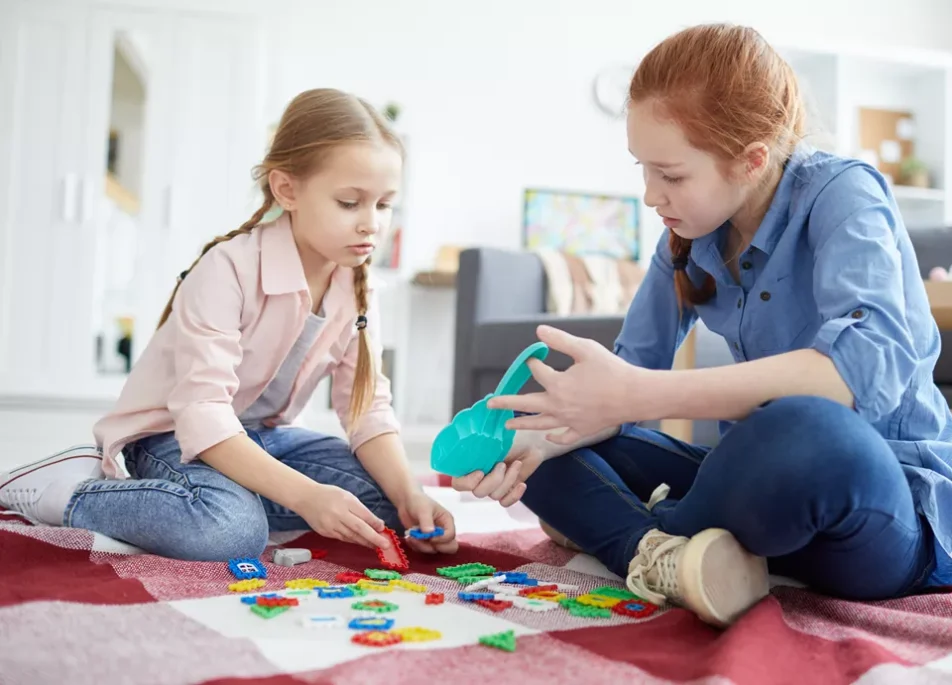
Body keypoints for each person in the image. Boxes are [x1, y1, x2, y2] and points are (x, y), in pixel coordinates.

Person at [452, 23, 952, 628]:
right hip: (753, 496)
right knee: (545, 438)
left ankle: (633, 532)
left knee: (801, 429)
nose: (650, 195)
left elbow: (856, 372)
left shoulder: (843, 194)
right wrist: (541, 436)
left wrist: (635, 395)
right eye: (643, 169)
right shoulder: (688, 235)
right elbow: (624, 380)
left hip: (880, 503)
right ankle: (667, 557)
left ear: (752, 159)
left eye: (671, 174)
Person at [0, 89, 458, 561]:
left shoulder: (361, 286)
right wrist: (304, 496)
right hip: (170, 436)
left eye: (384, 205)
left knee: (383, 505)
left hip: (264, 438)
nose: (371, 225)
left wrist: (409, 497)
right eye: (349, 203)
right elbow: (202, 416)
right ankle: (69, 491)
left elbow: (366, 409)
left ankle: (226, 497)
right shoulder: (228, 268)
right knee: (231, 531)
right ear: (287, 190)